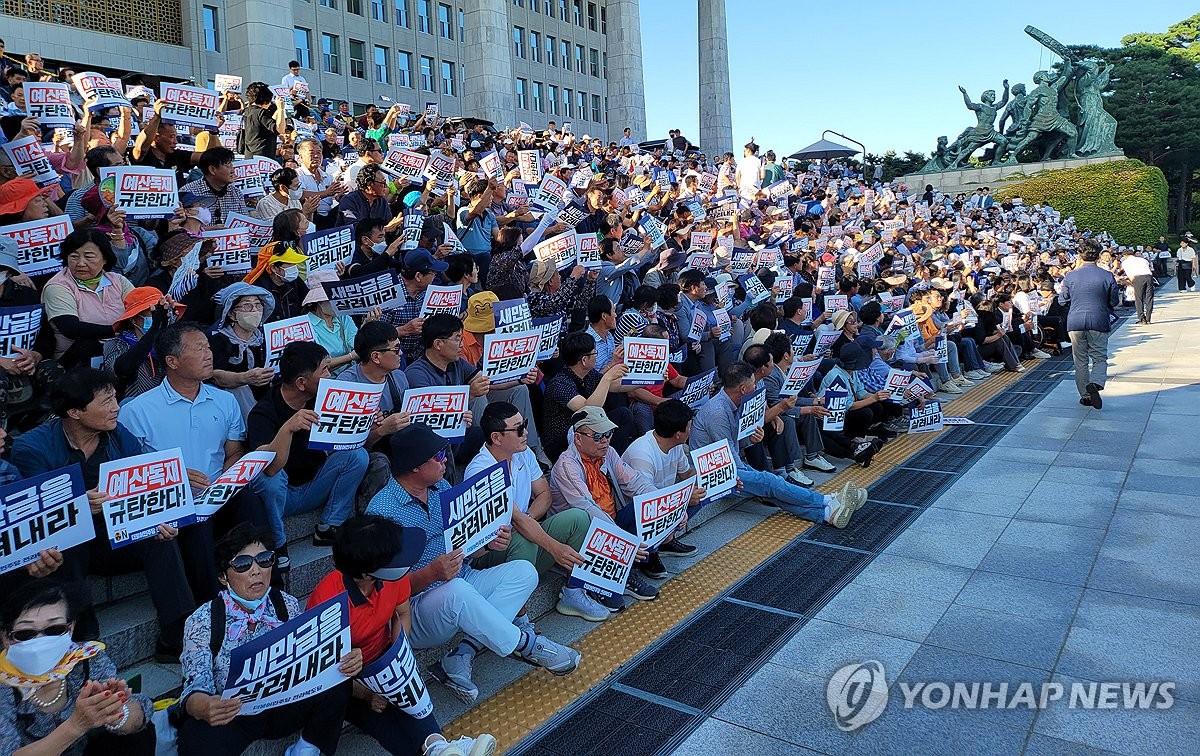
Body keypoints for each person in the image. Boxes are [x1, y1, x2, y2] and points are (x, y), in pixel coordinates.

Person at [366, 424, 581, 704]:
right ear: (415, 467)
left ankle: (462, 654)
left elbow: (465, 550)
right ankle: (527, 645)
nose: (446, 460)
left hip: (460, 580)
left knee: (523, 572)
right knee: (458, 591)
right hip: (414, 610)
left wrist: (485, 544)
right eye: (438, 456)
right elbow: (379, 590)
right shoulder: (382, 512)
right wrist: (430, 574)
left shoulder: (440, 487)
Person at [12, 367, 196, 661]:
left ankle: (176, 637)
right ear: (75, 411)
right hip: (69, 548)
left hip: (114, 534)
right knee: (66, 544)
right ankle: (83, 637)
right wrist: (77, 506)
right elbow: (37, 518)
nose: (116, 408)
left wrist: (162, 519)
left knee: (161, 538)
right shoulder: (32, 448)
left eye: (115, 398)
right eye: (106, 401)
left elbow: (145, 490)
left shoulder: (118, 435)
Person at [306, 516, 497, 756]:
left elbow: (403, 613)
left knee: (408, 690)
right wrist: (367, 693)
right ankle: (441, 748)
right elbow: (321, 670)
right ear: (367, 574)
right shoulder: (326, 602)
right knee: (379, 716)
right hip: (344, 681)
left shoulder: (390, 578)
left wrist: (400, 655)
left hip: (384, 662)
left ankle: (437, 747)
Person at [176, 524, 357, 756]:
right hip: (236, 714)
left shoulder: (285, 604)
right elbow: (195, 686)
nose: (256, 571)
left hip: (286, 702)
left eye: (264, 560)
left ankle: (308, 748)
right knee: (194, 737)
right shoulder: (203, 621)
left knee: (340, 674)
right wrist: (204, 706)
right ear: (223, 576)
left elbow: (314, 657)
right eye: (243, 564)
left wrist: (346, 657)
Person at [120, 323, 249, 602]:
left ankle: (271, 587)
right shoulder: (137, 410)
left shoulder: (225, 400)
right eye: (199, 348)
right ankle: (210, 605)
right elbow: (127, 475)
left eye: (208, 346)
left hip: (219, 494)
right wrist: (174, 477)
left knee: (252, 500)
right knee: (199, 521)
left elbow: (233, 452)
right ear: (172, 361)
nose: (208, 354)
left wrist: (228, 479)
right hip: (171, 503)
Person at [465, 402, 606, 621]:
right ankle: (520, 619)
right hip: (489, 553)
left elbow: (544, 495)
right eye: (519, 428)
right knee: (522, 538)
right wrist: (553, 546)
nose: (526, 432)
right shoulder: (480, 469)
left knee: (579, 518)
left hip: (519, 538)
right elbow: (516, 519)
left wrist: (528, 521)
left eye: (526, 424)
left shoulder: (522, 454)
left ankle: (573, 591)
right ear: (496, 438)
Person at [691, 362, 867, 525]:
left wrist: (750, 440)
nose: (758, 386)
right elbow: (729, 457)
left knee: (771, 488)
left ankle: (827, 514)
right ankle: (827, 500)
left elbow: (732, 444)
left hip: (727, 465)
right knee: (768, 481)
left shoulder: (733, 403)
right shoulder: (718, 413)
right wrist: (751, 475)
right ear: (743, 389)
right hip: (715, 475)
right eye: (754, 383)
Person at [0, 581, 155, 755]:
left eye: (54, 629)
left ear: (70, 627)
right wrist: (76, 725)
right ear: (6, 637)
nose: (40, 642)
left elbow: (140, 713)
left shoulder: (85, 658)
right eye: (25, 634)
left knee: (135, 739)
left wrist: (116, 711)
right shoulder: (3, 681)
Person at [248, 341, 369, 559]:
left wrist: (369, 422)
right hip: (281, 495)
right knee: (267, 479)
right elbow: (269, 469)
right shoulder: (263, 413)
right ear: (301, 382)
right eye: (324, 371)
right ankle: (277, 544)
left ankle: (329, 527)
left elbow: (346, 443)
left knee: (357, 455)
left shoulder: (322, 400)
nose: (330, 377)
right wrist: (287, 429)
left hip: (314, 484)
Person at [547, 407, 664, 603]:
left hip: (610, 521)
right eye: (598, 436)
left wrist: (665, 505)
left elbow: (635, 482)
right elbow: (588, 508)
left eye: (608, 434)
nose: (605, 440)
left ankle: (627, 569)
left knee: (646, 508)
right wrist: (625, 544)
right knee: (615, 604)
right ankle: (618, 573)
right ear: (578, 438)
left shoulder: (608, 452)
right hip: (585, 534)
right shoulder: (567, 465)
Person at [41, 229, 136, 367]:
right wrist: (117, 330)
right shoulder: (58, 286)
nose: (80, 263)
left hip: (120, 349)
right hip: (76, 358)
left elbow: (139, 308)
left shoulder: (118, 281)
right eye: (74, 256)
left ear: (104, 258)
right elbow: (71, 328)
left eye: (89, 256)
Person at [1059, 239, 1121, 409]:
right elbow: (1114, 301)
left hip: (1075, 321)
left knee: (1080, 360)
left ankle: (1085, 396)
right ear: (1099, 255)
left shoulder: (1070, 276)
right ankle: (1096, 383)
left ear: (1080, 255)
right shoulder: (1107, 275)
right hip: (1099, 319)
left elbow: (1063, 300)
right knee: (1099, 356)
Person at [101, 286, 177, 400]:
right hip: (133, 405)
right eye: (153, 313)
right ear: (133, 319)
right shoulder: (116, 344)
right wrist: (154, 330)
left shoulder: (171, 341)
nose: (158, 316)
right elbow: (121, 370)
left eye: (161, 312)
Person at [179, 147, 248, 226]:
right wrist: (208, 231)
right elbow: (181, 229)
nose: (232, 170)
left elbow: (244, 224)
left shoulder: (236, 192)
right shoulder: (189, 191)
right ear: (212, 170)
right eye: (228, 166)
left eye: (232, 165)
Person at [1120, 247, 1155, 324]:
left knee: (1139, 298)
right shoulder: (1142, 260)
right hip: (1149, 277)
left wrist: (1132, 283)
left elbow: (1130, 274)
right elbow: (1148, 268)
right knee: (1149, 298)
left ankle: (1141, 318)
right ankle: (1148, 318)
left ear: (1125, 256)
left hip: (1138, 278)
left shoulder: (1125, 262)